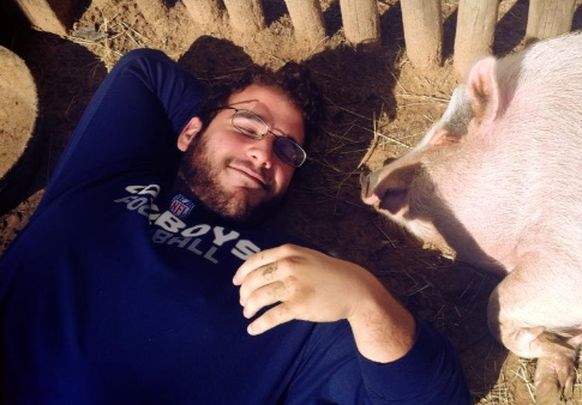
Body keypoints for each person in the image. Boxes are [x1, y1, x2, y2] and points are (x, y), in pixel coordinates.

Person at [0, 48, 470, 404]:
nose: (264, 153)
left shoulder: (293, 278)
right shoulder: (108, 174)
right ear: (187, 131)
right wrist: (203, 139)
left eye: (287, 151)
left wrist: (363, 298)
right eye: (247, 126)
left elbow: (434, 397)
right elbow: (143, 71)